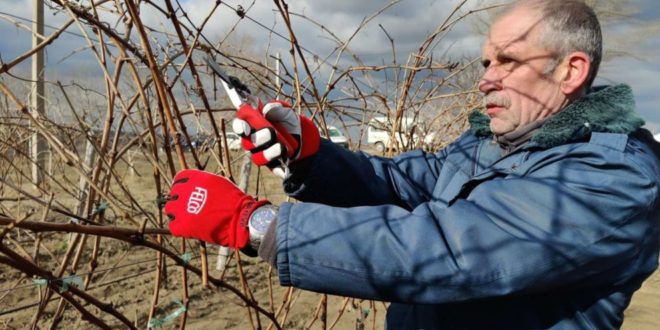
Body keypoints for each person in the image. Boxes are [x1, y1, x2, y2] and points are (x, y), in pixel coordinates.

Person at [163, 0, 660, 328]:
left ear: (570, 70)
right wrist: (311, 154)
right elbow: (408, 183)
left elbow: (448, 250)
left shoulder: (613, 179)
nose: (486, 79)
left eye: (507, 61)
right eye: (486, 63)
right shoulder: (493, 141)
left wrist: (257, 224)